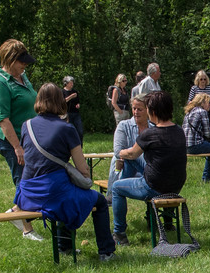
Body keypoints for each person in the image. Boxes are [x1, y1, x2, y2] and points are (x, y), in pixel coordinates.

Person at [16, 84, 116, 261]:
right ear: (60, 101)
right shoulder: (67, 128)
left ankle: (65, 247)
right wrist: (84, 180)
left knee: (65, 191)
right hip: (53, 193)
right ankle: (106, 252)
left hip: (27, 195)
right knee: (98, 201)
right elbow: (82, 167)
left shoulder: (27, 125)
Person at [112, 91, 188, 238]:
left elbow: (132, 154)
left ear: (152, 111)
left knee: (116, 188)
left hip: (154, 186)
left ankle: (119, 233)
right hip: (176, 185)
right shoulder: (179, 131)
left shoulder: (150, 134)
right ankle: (166, 220)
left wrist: (120, 153)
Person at [0, 38, 41, 240]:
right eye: (22, 62)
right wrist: (17, 147)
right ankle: (27, 229)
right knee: (23, 180)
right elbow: (3, 120)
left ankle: (15, 211)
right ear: (9, 60)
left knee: (34, 178)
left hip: (28, 138)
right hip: (12, 141)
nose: (25, 65)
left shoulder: (22, 78)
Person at [108, 88, 150, 247]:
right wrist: (133, 154)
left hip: (146, 169)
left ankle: (120, 232)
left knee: (135, 159)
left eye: (140, 109)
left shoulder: (153, 127)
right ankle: (119, 231)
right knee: (127, 158)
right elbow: (119, 151)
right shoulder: (124, 126)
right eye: (134, 109)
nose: (136, 112)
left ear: (148, 110)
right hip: (126, 168)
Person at [184, 92, 210, 182]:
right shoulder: (202, 112)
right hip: (195, 145)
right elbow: (207, 134)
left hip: (184, 146)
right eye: (208, 102)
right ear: (202, 103)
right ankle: (207, 178)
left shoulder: (189, 112)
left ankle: (207, 177)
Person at [62, 76, 83, 145]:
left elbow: (78, 101)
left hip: (76, 113)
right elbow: (63, 102)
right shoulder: (62, 92)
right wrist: (71, 96)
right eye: (70, 83)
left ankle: (80, 146)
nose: (72, 84)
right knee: (68, 131)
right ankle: (69, 146)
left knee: (80, 131)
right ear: (66, 83)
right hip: (67, 113)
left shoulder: (75, 91)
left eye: (72, 83)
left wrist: (78, 105)